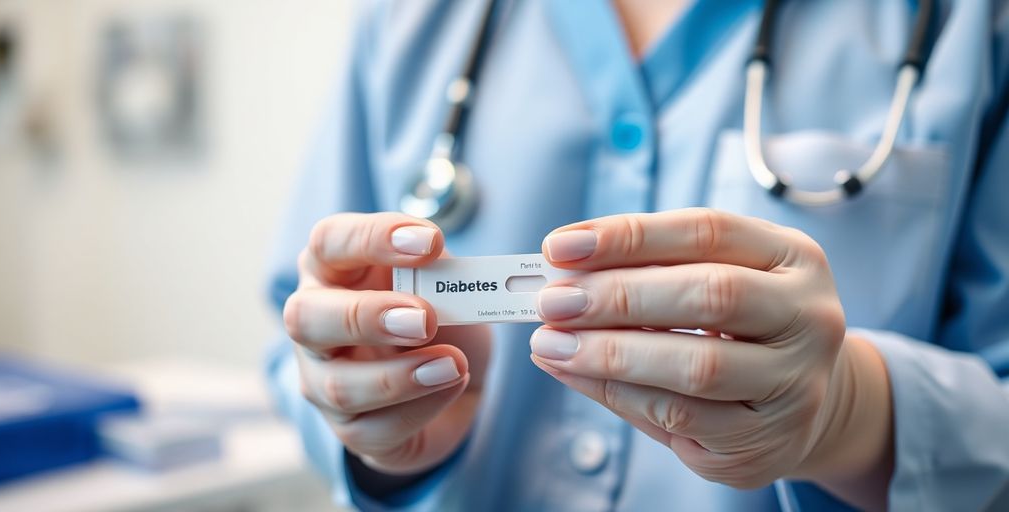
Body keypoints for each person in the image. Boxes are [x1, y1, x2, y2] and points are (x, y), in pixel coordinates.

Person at [264, 1, 1009, 510]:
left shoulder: (970, 26)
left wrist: (850, 414)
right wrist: (377, 426)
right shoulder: (410, 21)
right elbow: (294, 335)